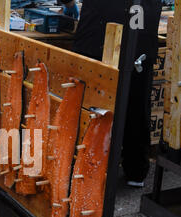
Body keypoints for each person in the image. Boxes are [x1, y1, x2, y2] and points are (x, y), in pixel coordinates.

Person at [60, 0, 162, 187]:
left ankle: (85, 171)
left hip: (99, 37)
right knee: (136, 106)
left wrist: (68, 4)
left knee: (91, 109)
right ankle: (135, 171)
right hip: (138, 38)